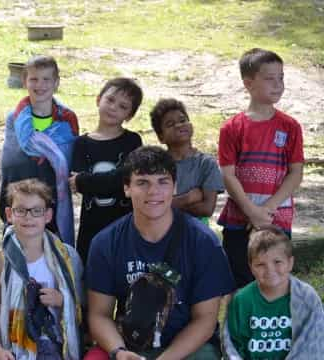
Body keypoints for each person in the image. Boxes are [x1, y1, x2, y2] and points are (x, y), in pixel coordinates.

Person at [85, 146, 235, 360]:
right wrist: (118, 352)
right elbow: (99, 314)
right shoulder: (105, 242)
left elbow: (205, 320)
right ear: (126, 188)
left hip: (186, 348)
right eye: (142, 182)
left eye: (162, 182)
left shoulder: (203, 242)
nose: (153, 191)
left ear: (175, 187)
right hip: (129, 344)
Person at [218, 48, 304, 288]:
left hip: (277, 219)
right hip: (239, 220)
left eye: (281, 77)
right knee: (239, 284)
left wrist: (267, 209)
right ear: (248, 83)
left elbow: (296, 172)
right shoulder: (231, 128)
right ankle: (239, 327)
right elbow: (228, 174)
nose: (278, 85)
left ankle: (273, 326)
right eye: (269, 78)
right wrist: (250, 211)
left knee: (275, 281)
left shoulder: (291, 126)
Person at [0, 179, 83, 360]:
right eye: (21, 210)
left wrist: (62, 300)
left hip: (52, 343)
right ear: (9, 214)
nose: (28, 217)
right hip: (10, 346)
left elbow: (81, 310)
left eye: (36, 211)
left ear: (48, 215)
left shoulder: (67, 258)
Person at [0, 55, 79, 246]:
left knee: (53, 252)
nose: (40, 85)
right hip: (19, 195)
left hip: (53, 198)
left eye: (46, 79)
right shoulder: (16, 119)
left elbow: (68, 158)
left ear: (56, 82)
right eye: (34, 79)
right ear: (24, 81)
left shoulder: (67, 120)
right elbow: (10, 162)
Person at [69, 77, 143, 263]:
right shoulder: (81, 143)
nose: (113, 107)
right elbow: (75, 182)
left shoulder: (132, 141)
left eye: (123, 106)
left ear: (129, 115)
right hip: (90, 228)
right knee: (90, 278)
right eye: (110, 100)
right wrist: (88, 182)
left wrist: (87, 181)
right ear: (98, 99)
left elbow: (126, 179)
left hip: (124, 227)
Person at [223, 226, 324, 359]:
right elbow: (234, 347)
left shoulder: (306, 297)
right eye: (260, 264)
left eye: (277, 262)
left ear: (290, 263)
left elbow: (314, 340)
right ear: (251, 267)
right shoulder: (241, 300)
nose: (270, 270)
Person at [150, 98, 224, 225]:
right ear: (160, 137)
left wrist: (168, 204)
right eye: (170, 124)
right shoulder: (156, 165)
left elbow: (207, 209)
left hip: (196, 234)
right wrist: (187, 198)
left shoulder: (206, 164)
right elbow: (150, 206)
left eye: (183, 120)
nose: (179, 125)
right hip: (160, 232)